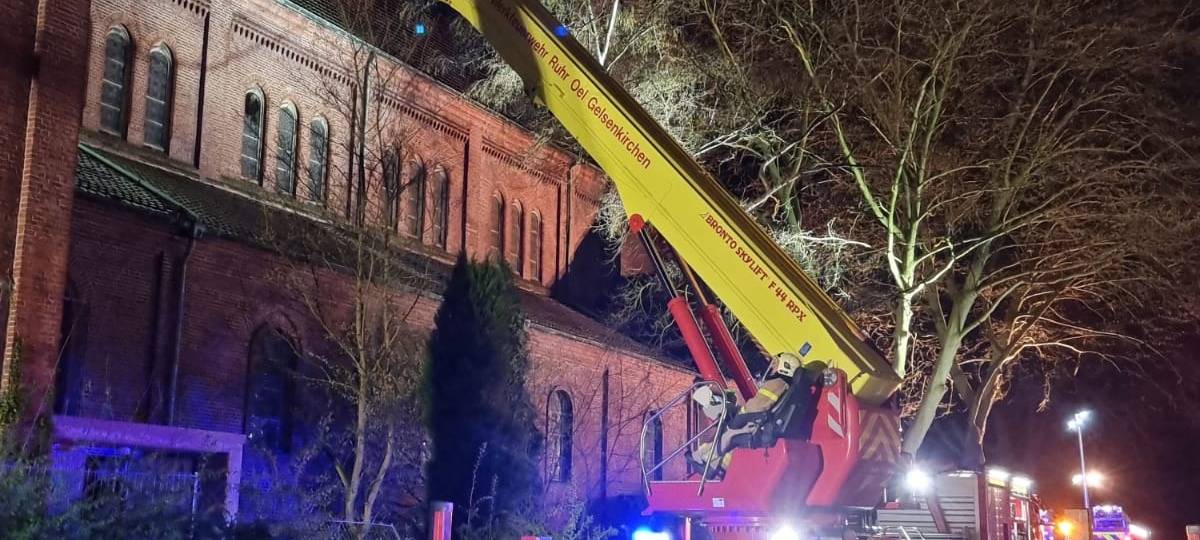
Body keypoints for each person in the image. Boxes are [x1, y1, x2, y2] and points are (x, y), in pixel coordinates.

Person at [686, 352, 802, 475]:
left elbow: (756, 406)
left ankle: (708, 463)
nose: (773, 366)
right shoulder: (783, 385)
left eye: (776, 364)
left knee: (729, 433)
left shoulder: (775, 383)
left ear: (785, 366)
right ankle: (706, 458)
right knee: (728, 432)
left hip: (754, 423)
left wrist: (739, 415)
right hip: (759, 422)